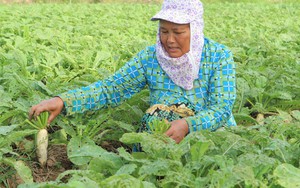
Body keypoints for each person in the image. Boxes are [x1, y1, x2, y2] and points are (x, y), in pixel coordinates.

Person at [29, 0, 237, 146]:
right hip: (161, 132)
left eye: (178, 32)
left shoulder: (218, 56)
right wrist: (64, 101)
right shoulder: (150, 58)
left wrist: (188, 125)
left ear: (196, 30)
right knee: (155, 118)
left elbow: (221, 108)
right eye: (164, 31)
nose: (170, 40)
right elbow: (110, 89)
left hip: (212, 137)